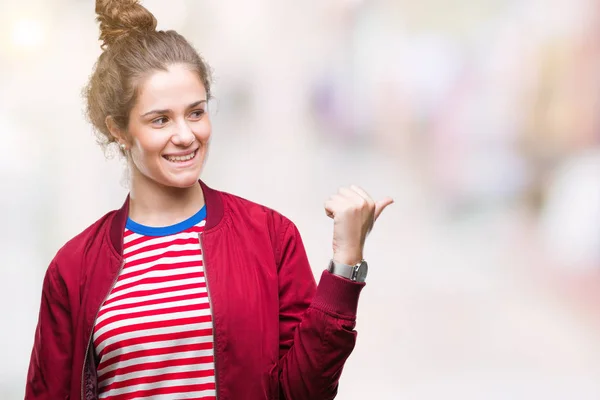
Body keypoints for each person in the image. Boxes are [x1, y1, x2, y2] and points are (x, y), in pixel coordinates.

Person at [24, 1, 393, 399]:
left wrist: (346, 263)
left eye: (196, 113)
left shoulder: (270, 237)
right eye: (160, 119)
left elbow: (305, 391)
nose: (186, 135)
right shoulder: (73, 268)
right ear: (119, 130)